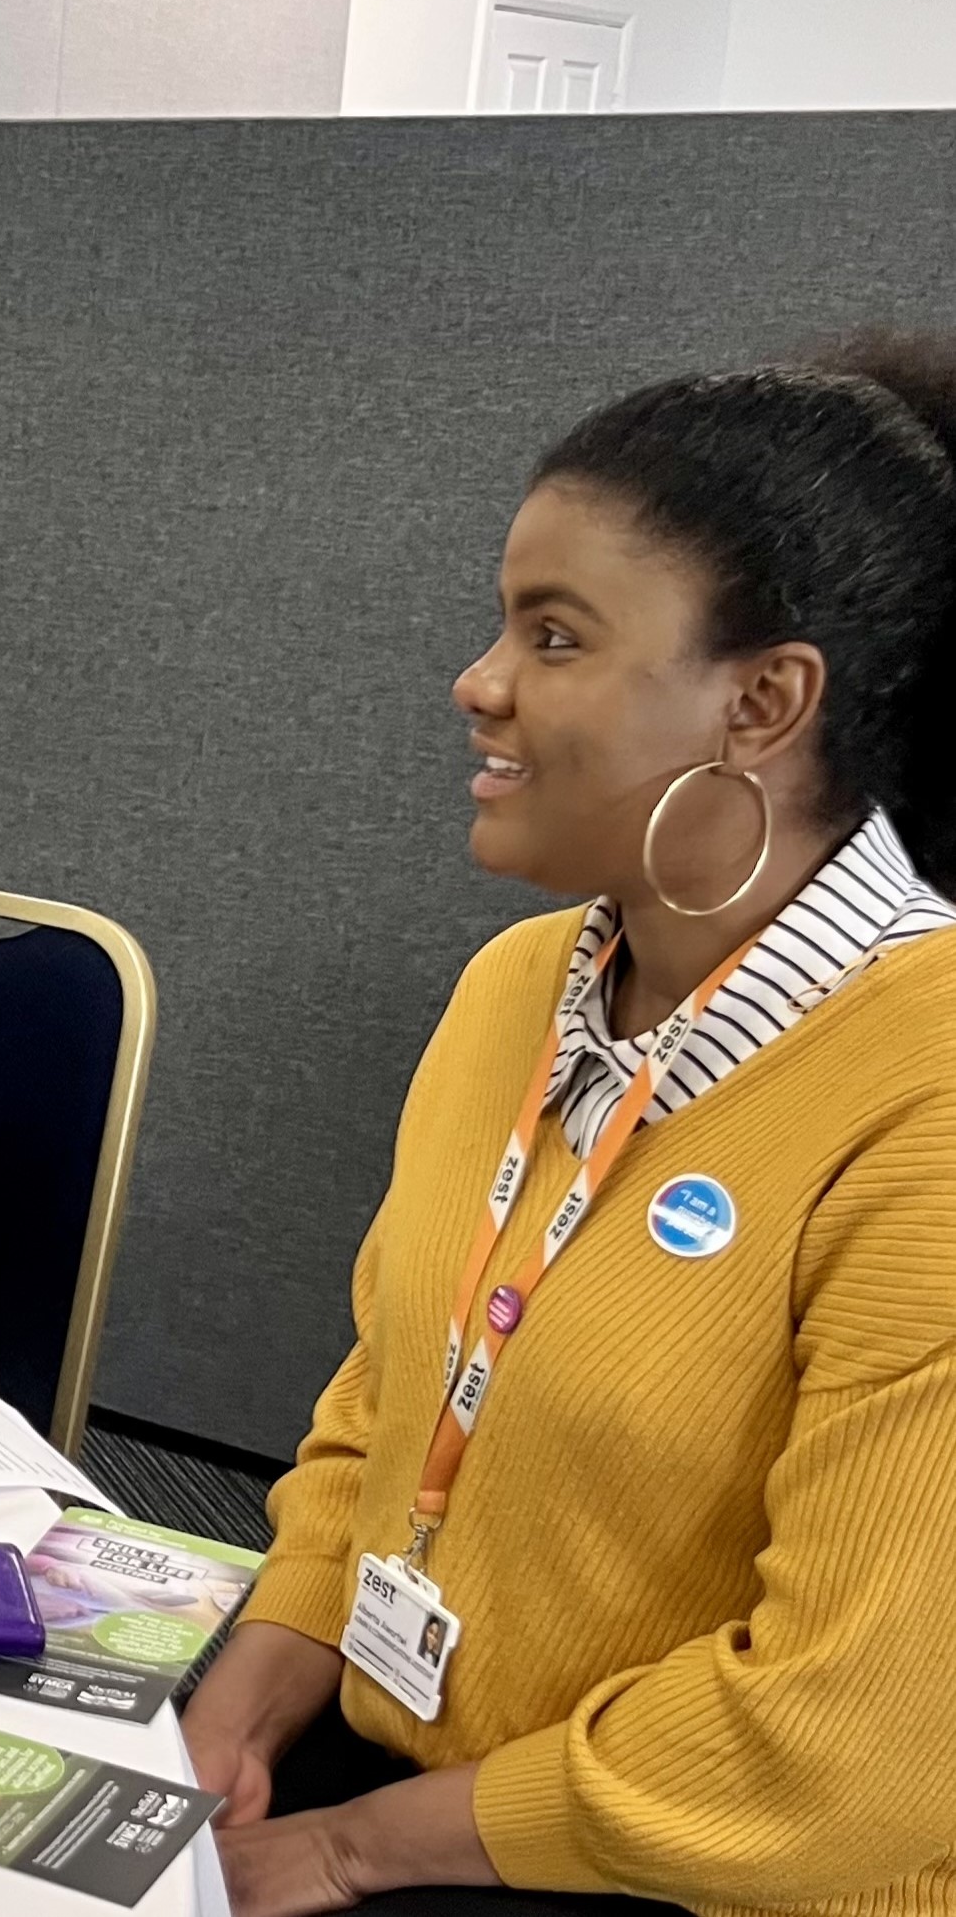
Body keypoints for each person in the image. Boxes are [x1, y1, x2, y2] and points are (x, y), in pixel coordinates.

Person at [183, 340, 956, 1917]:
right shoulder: (517, 989)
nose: (477, 679)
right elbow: (384, 1406)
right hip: (398, 1769)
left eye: (553, 635)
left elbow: (843, 1750)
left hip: (686, 1879)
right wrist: (251, 1688)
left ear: (761, 701)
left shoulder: (922, 1100)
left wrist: (340, 1848)